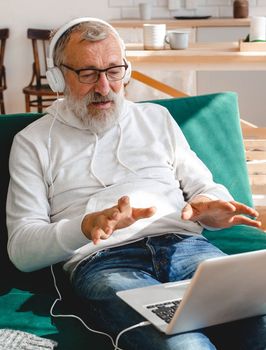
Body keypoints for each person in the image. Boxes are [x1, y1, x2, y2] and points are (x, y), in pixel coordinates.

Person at [6, 17, 264, 350]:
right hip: (105, 262)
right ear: (58, 78)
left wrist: (210, 206)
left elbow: (205, 189)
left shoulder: (156, 118)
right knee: (185, 346)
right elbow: (22, 250)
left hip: (186, 247)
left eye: (114, 71)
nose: (104, 87)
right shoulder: (33, 142)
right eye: (87, 74)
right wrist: (85, 227)